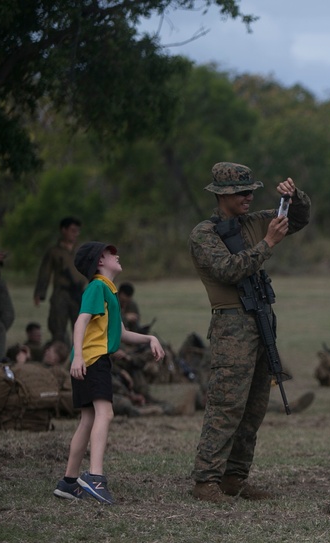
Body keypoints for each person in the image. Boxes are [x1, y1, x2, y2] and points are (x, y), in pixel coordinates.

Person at [188, 162, 311, 503]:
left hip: (260, 321)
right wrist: (268, 243)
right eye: (242, 192)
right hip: (231, 326)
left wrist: (294, 198)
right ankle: (205, 480)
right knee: (227, 405)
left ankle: (235, 477)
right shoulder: (204, 234)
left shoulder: (253, 222)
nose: (249, 197)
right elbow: (228, 270)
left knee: (254, 406)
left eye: (251, 191)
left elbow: (297, 220)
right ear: (223, 195)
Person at [54, 242, 165, 504]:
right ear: (99, 262)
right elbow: (80, 320)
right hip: (93, 360)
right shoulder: (97, 287)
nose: (117, 255)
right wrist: (79, 356)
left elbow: (121, 333)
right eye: (110, 253)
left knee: (88, 419)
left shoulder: (109, 292)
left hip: (89, 360)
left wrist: (150, 337)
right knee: (106, 413)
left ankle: (69, 482)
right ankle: (95, 477)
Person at [34, 217, 87, 344]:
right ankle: (58, 351)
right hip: (61, 292)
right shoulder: (54, 252)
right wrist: (39, 293)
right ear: (63, 230)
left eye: (77, 231)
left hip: (79, 293)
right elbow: (45, 273)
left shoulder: (81, 250)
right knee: (57, 325)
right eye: (72, 230)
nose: (75, 234)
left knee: (82, 327)